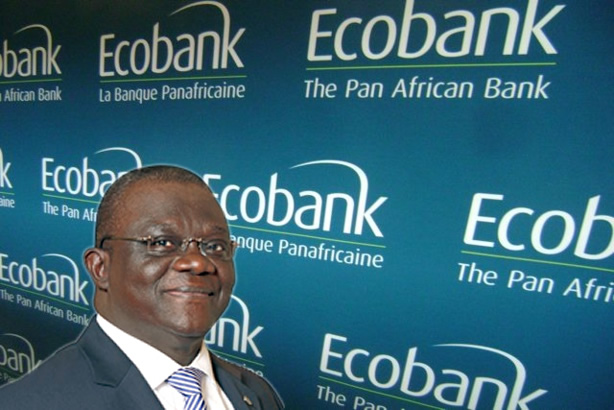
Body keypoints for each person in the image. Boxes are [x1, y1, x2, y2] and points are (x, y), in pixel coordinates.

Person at [0, 165, 284, 409]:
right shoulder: (26, 403)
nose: (198, 262)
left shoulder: (256, 393)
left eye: (215, 246)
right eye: (162, 243)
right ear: (100, 268)